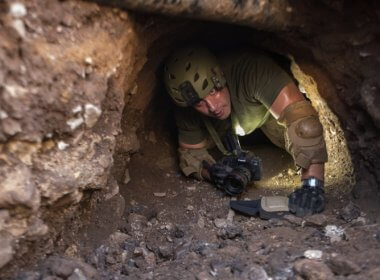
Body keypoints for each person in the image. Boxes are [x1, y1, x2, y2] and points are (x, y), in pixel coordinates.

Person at [163, 45, 328, 216]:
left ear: (219, 76)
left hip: (267, 116)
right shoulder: (187, 110)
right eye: (200, 103)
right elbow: (191, 154)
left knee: (305, 137)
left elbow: (303, 123)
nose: (212, 107)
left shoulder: (252, 71)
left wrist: (312, 186)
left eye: (213, 91)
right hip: (224, 129)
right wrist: (212, 173)